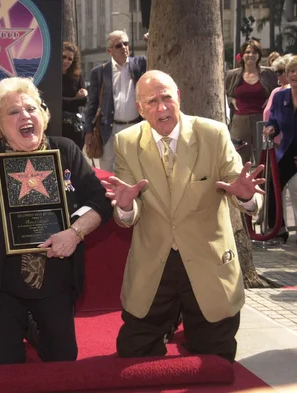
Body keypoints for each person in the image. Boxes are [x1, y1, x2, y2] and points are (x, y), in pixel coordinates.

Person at [0, 77, 113, 365]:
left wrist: (74, 233)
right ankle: (18, 328)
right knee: (3, 363)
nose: (25, 116)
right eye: (13, 112)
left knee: (62, 360)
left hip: (56, 277)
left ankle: (35, 330)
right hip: (2, 282)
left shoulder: (66, 150)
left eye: (31, 109)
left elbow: (99, 202)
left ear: (43, 115)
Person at [102, 70, 265, 363]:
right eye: (152, 102)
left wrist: (244, 195)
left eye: (167, 98)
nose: (162, 108)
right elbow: (129, 213)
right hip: (154, 263)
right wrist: (125, 206)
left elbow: (245, 192)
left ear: (178, 97)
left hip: (207, 261)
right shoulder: (126, 141)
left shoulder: (213, 134)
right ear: (139, 108)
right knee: (134, 354)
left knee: (215, 360)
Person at [83, 30, 147, 172]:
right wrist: (88, 130)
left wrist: (150, 39)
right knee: (108, 168)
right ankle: (109, 194)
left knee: (133, 167)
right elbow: (92, 104)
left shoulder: (140, 64)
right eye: (118, 45)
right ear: (109, 51)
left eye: (126, 43)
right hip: (108, 129)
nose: (124, 47)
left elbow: (155, 54)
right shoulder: (99, 72)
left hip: (135, 127)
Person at [225, 40, 277, 164]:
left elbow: (277, 91)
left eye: (254, 52)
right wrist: (231, 99)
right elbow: (226, 92)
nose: (251, 55)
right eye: (247, 52)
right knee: (238, 160)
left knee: (263, 160)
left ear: (259, 55)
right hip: (239, 122)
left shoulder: (268, 73)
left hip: (262, 121)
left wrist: (270, 99)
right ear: (242, 55)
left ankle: (262, 184)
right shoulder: (232, 74)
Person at [264, 57, 297, 245]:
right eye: (291, 71)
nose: (294, 74)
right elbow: (274, 121)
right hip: (285, 151)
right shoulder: (279, 97)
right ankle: (278, 230)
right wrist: (271, 128)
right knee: (271, 185)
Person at [62, 41, 88, 149]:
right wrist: (75, 99)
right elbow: (55, 102)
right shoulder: (51, 74)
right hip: (58, 127)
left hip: (75, 127)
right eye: (63, 57)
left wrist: (81, 97)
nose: (66, 61)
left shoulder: (77, 75)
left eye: (70, 59)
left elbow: (83, 101)